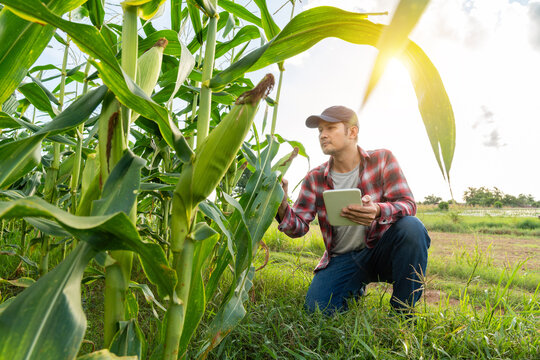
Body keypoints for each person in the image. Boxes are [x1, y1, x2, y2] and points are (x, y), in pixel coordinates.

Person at [276, 105, 431, 316]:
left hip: (381, 250)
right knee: (317, 311)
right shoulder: (314, 177)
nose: (322, 135)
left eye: (330, 128)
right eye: (320, 130)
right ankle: (353, 287)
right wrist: (280, 203)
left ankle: (403, 312)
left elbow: (408, 204)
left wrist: (378, 210)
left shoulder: (383, 159)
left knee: (412, 228)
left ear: (352, 132)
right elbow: (298, 228)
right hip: (342, 257)